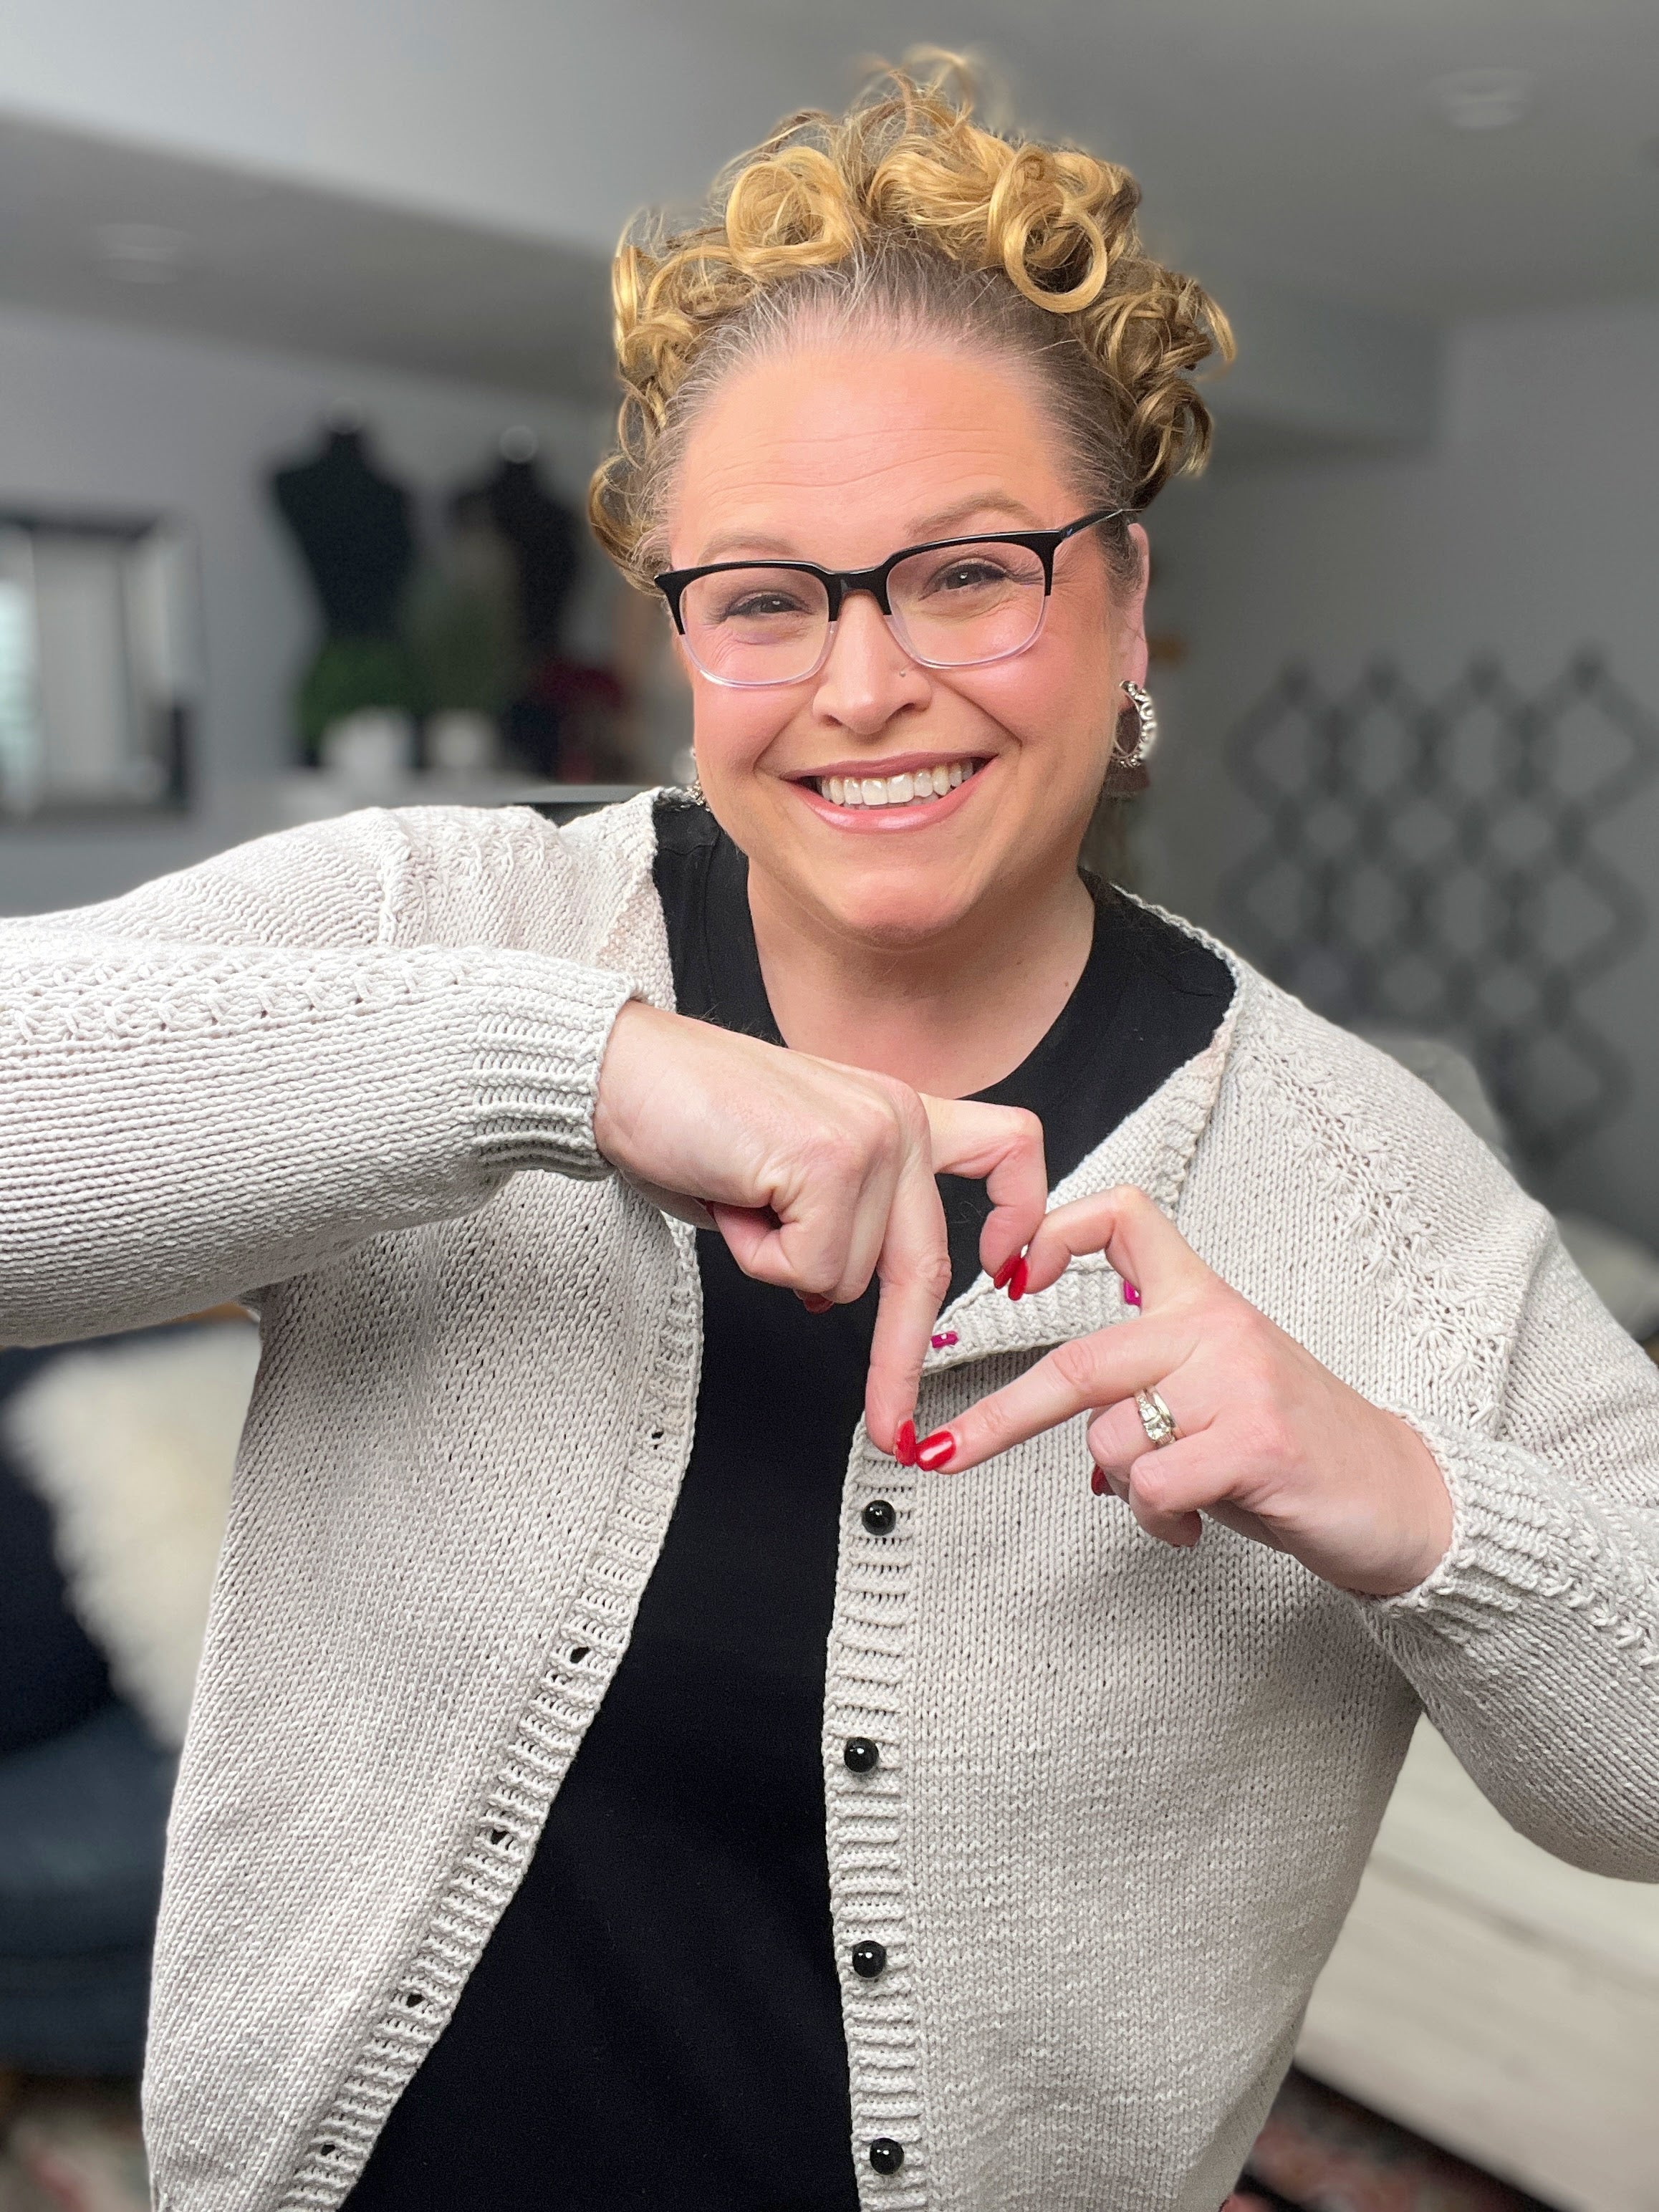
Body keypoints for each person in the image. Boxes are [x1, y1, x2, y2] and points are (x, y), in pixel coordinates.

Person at [1, 61, 1655, 2212]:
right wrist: (571, 1067)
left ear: (1125, 599)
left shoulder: (1366, 1180)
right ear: (681, 634)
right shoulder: (449, 923)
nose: (863, 684)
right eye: (767, 597)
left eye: (965, 574)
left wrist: (1418, 1505)